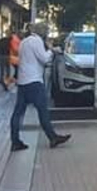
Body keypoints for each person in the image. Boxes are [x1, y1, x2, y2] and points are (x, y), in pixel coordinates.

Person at [9, 22, 70, 152]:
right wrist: (52, 51)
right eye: (46, 31)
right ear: (42, 31)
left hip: (23, 81)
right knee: (43, 111)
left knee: (18, 113)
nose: (47, 33)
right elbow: (44, 59)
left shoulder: (24, 42)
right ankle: (52, 137)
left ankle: (15, 141)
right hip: (34, 81)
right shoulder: (36, 41)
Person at [5, 26, 22, 90]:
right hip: (15, 59)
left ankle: (10, 83)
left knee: (17, 72)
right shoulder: (15, 39)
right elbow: (15, 49)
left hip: (15, 58)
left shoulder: (16, 39)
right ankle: (8, 83)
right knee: (16, 72)